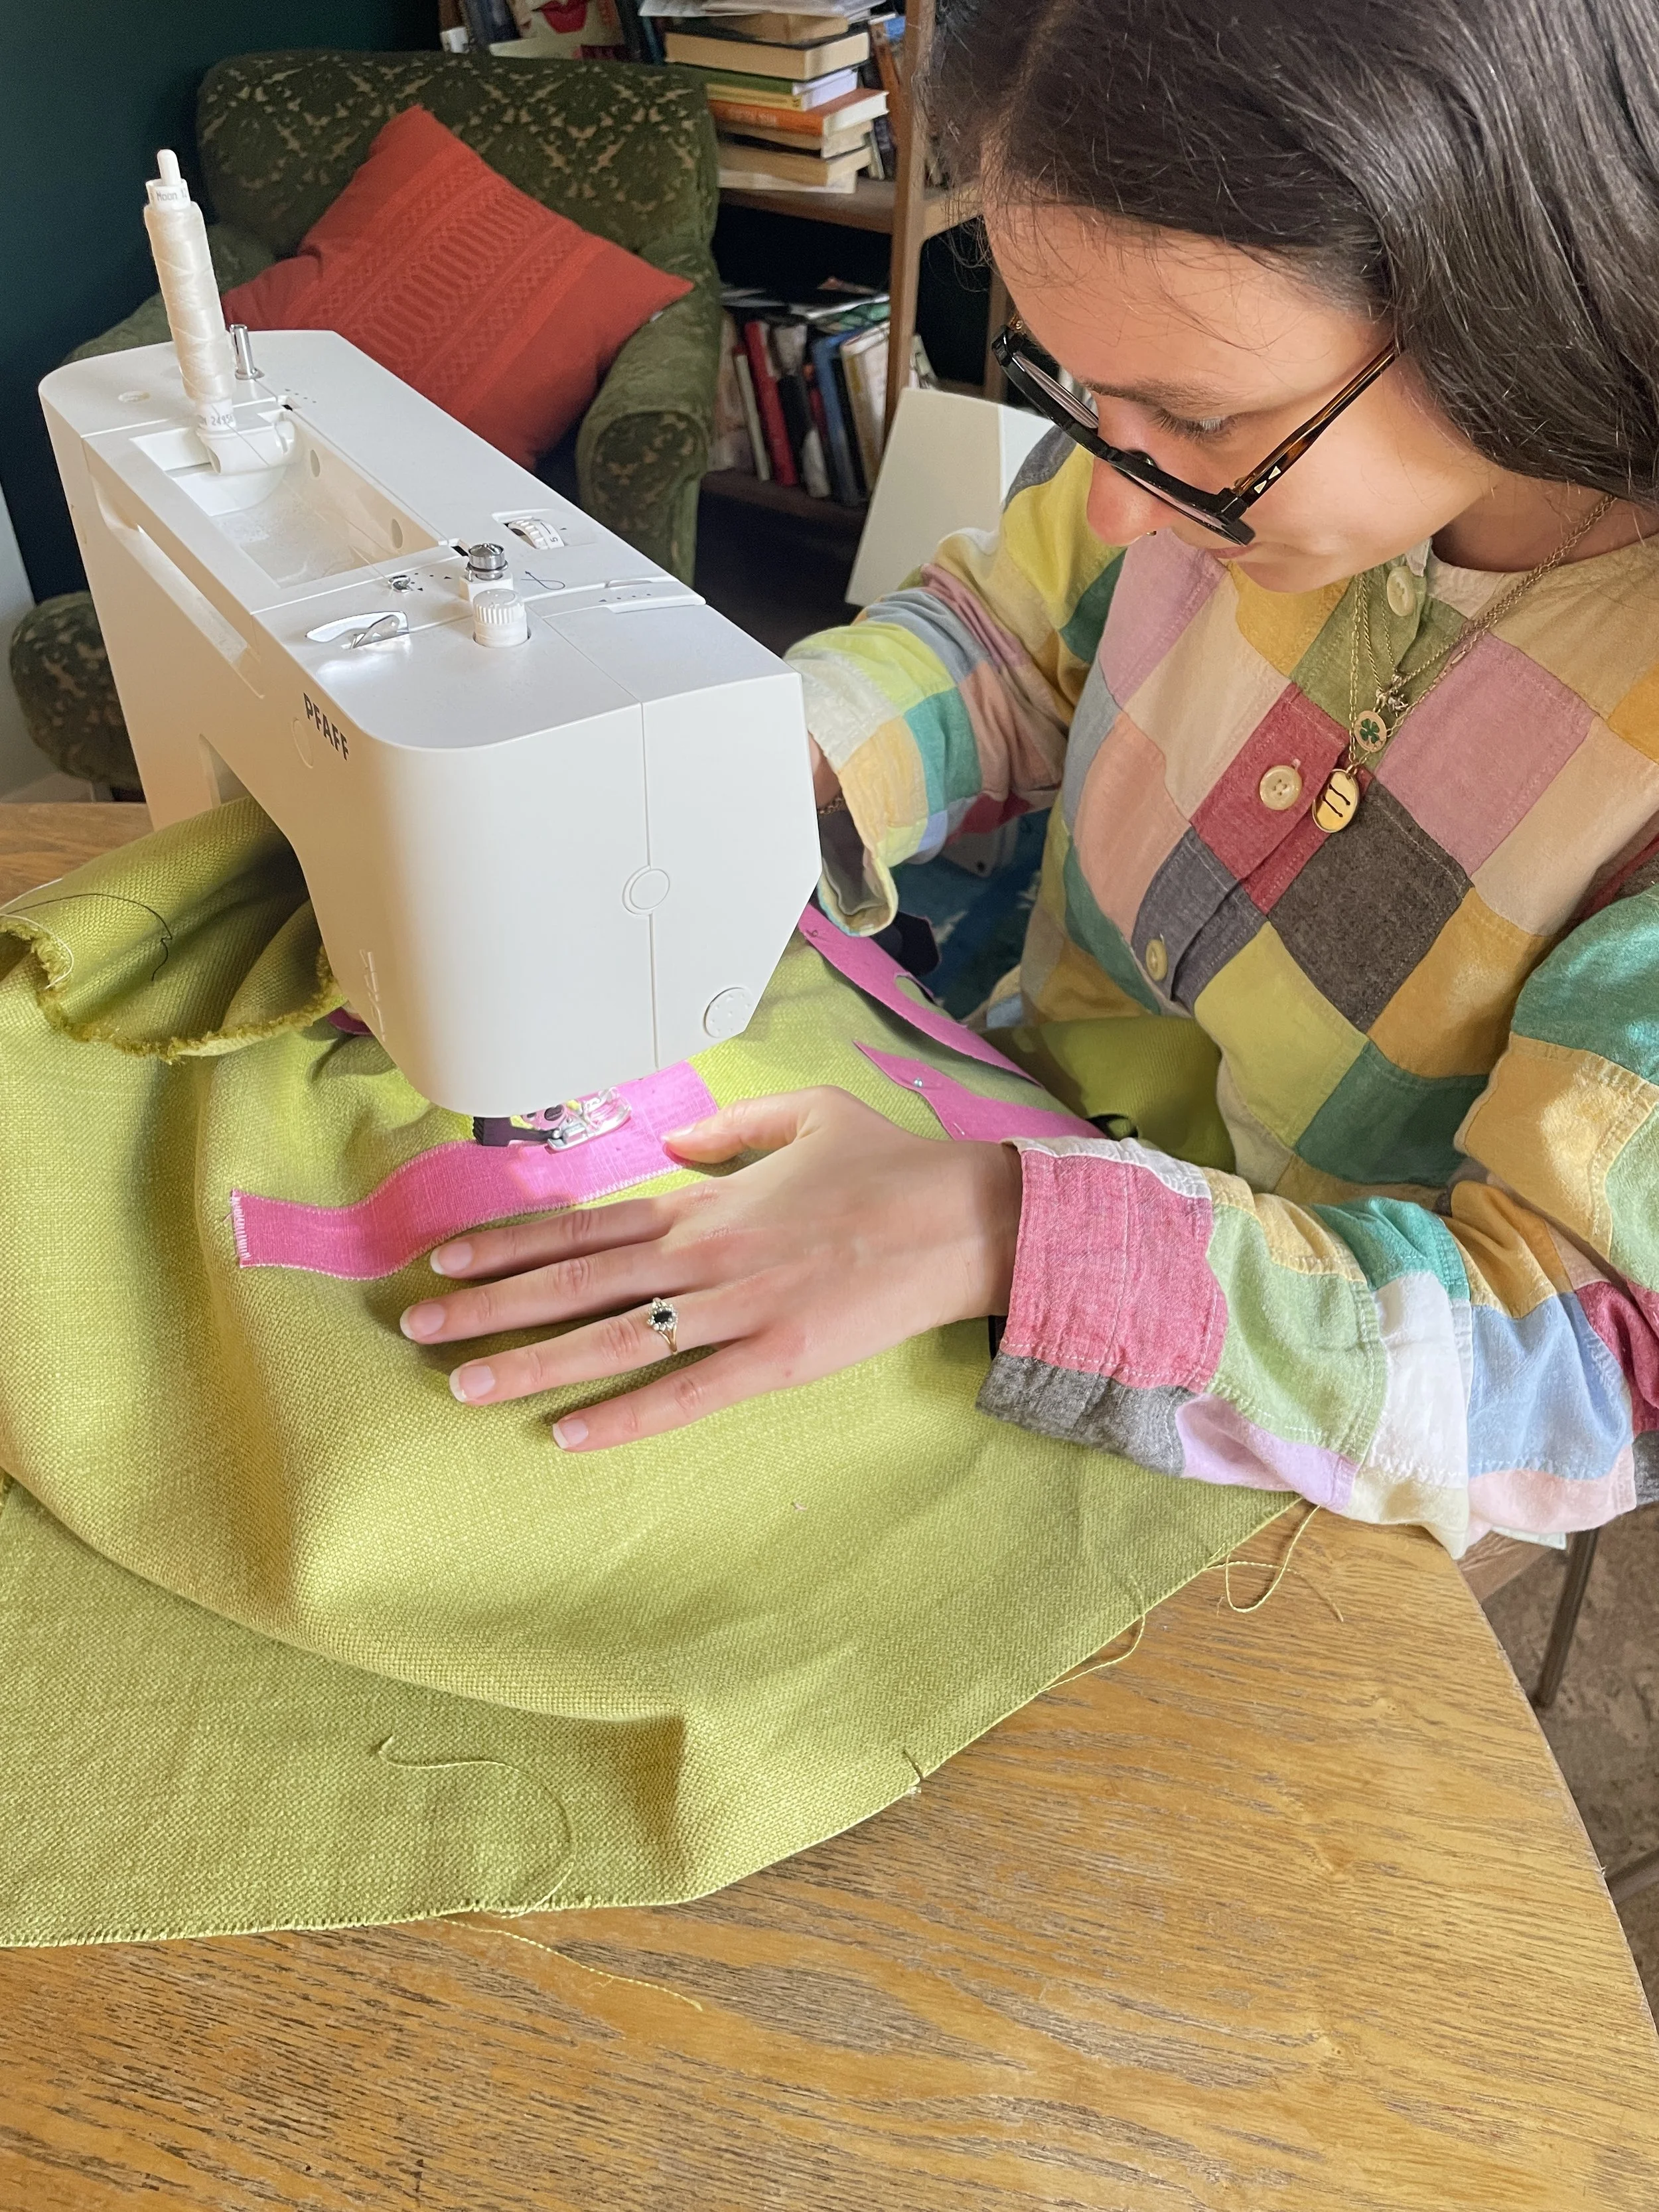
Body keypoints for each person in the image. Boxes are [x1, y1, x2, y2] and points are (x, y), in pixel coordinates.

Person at [399, 0, 1659, 1559]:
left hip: (1309, 1472)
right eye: (1078, 397)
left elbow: (1573, 1378)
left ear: (1521, 294)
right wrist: (742, 774)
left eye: (1195, 421)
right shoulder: (1175, 449)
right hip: (991, 1112)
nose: (1122, 506)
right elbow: (1006, 641)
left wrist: (1018, 1230)